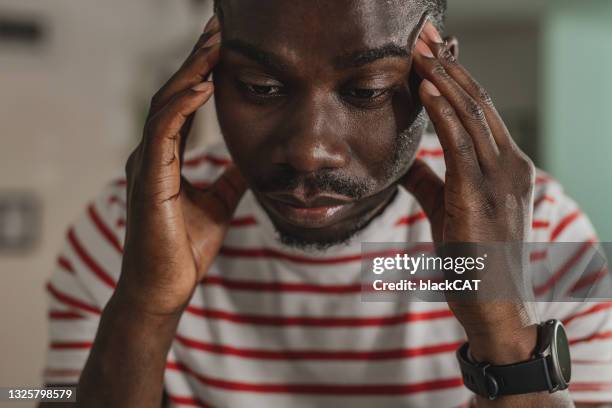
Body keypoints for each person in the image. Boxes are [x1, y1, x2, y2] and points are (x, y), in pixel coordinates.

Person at [42, 1, 612, 407]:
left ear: (440, 77)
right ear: (212, 73)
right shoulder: (128, 228)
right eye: (261, 87)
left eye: (366, 91)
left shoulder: (547, 237)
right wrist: (143, 309)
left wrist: (504, 327)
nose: (310, 150)